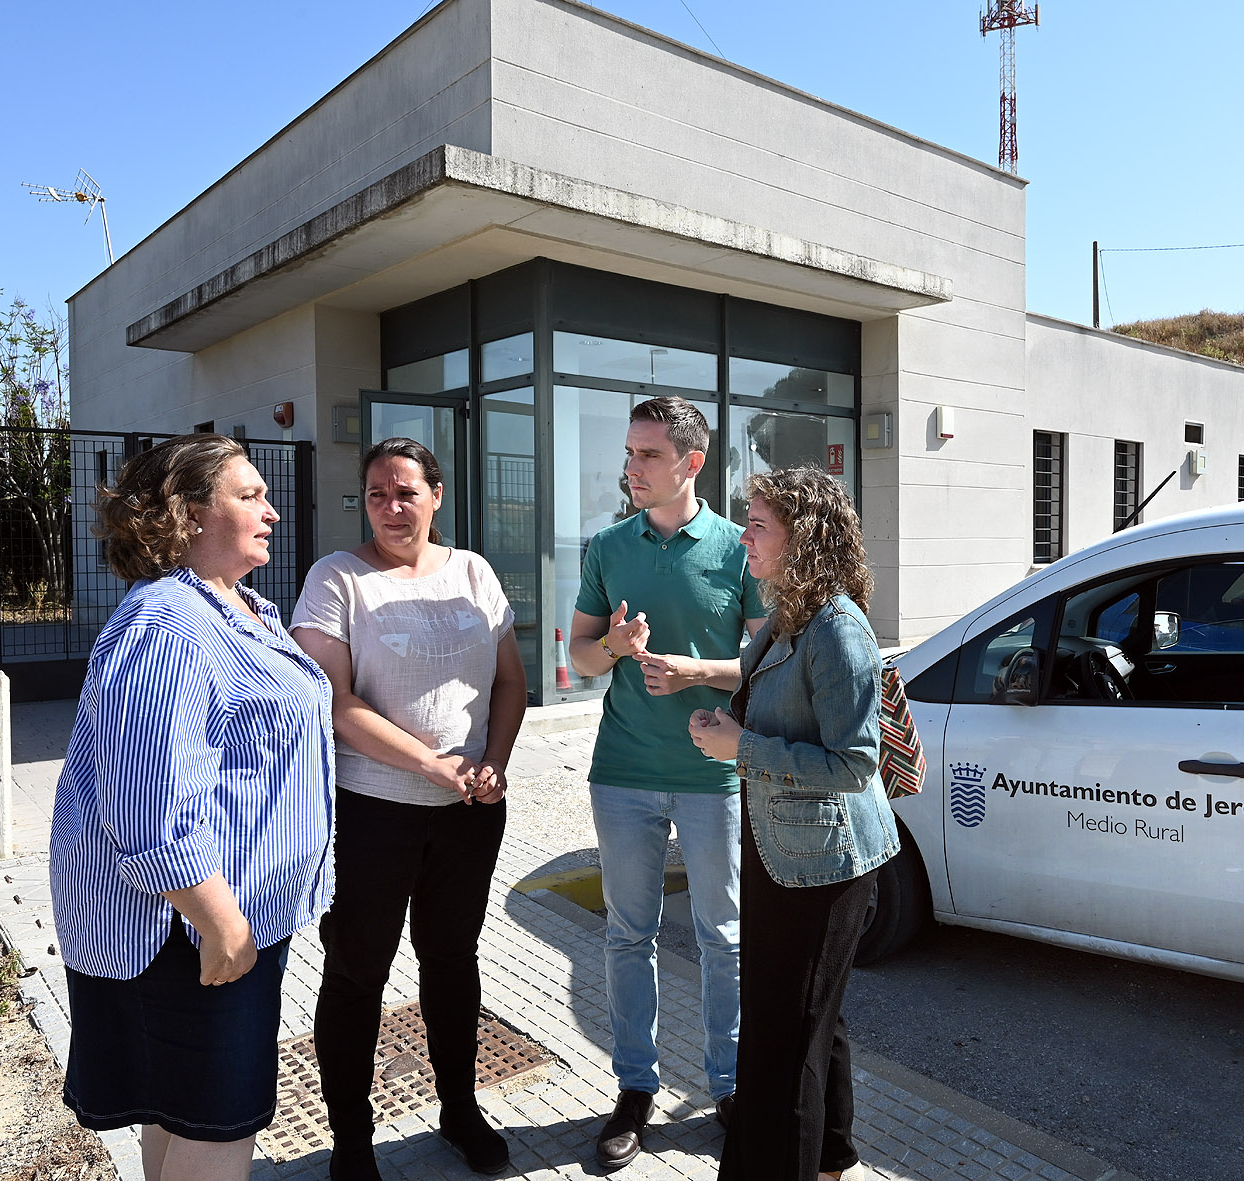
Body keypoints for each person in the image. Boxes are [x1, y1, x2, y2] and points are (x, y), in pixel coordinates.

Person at [50, 434, 334, 1181]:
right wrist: (221, 920)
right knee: (217, 1131)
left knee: (178, 1119)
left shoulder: (236, 607)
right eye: (249, 495)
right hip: (187, 935)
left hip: (217, 926)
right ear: (187, 513)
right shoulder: (167, 625)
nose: (271, 510)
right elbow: (147, 804)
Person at [291, 437, 526, 1179]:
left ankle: (460, 1109)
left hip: (469, 812)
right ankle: (352, 1142)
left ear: (437, 494)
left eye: (405, 492)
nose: (391, 508)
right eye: (376, 494)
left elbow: (510, 686)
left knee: (453, 959)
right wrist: (432, 763)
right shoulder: (337, 579)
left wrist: (495, 761)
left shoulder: (475, 573)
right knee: (359, 970)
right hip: (373, 810)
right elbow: (333, 701)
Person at [567, 396, 766, 1170]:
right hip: (622, 774)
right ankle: (635, 1089)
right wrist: (614, 645)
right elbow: (580, 654)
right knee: (627, 933)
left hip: (713, 775)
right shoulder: (609, 545)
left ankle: (728, 1085)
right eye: (628, 453)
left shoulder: (735, 548)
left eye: (647, 456)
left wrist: (693, 670)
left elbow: (757, 665)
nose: (631, 469)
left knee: (723, 936)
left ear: (691, 463)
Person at [687, 465, 899, 1181]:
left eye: (757, 524)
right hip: (786, 848)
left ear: (802, 537)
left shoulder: (838, 627)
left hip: (826, 866)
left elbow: (854, 763)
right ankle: (832, 1158)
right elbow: (773, 702)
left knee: (784, 1038)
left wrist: (738, 746)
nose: (742, 536)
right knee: (814, 1019)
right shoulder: (788, 612)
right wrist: (725, 714)